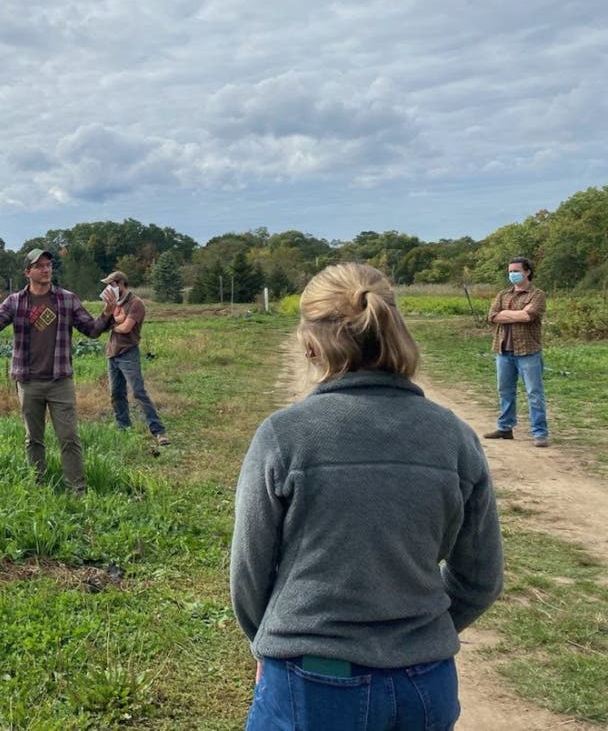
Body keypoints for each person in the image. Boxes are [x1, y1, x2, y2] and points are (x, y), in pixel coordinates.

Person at [230, 263, 502, 730]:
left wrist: (269, 642)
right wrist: (419, 637)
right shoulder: (455, 437)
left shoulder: (284, 436)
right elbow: (481, 578)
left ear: (310, 342)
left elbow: (249, 573)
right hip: (426, 684)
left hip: (311, 683)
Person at [0, 248, 114, 494]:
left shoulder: (66, 299)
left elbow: (92, 330)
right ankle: (38, 486)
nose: (46, 269)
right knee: (34, 439)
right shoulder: (15, 301)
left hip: (59, 380)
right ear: (27, 272)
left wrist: (107, 312)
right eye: (40, 265)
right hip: (28, 381)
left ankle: (77, 490)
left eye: (49, 265)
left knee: (70, 438)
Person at [484, 256, 550, 447]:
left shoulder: (537, 295)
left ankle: (539, 432)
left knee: (534, 392)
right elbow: (492, 316)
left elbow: (529, 316)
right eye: (510, 271)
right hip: (503, 350)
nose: (512, 274)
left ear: (527, 272)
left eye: (516, 271)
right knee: (505, 391)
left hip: (528, 351)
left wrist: (506, 314)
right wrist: (518, 315)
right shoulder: (503, 294)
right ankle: (505, 428)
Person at [100, 269, 168, 446]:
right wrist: (114, 318)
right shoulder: (114, 304)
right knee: (116, 393)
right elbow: (102, 323)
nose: (109, 287)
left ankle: (158, 430)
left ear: (121, 284)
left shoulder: (136, 303)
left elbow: (126, 328)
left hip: (128, 352)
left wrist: (114, 324)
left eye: (112, 284)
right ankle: (123, 428)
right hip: (112, 352)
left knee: (138, 391)